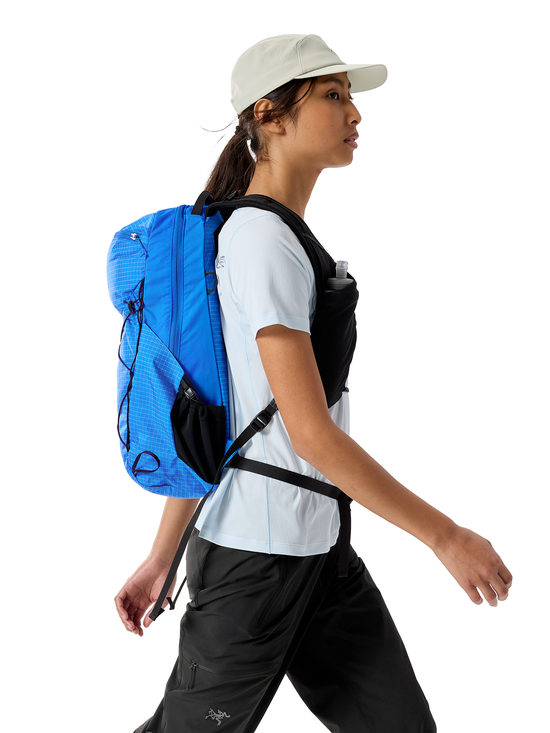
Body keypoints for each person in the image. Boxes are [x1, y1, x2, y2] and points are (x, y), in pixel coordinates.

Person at [114, 34, 512, 733]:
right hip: (256, 565)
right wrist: (445, 536)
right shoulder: (262, 243)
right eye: (333, 95)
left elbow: (221, 416)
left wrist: (159, 556)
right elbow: (308, 434)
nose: (354, 113)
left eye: (350, 97)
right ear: (270, 115)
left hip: (319, 553)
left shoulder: (270, 235)